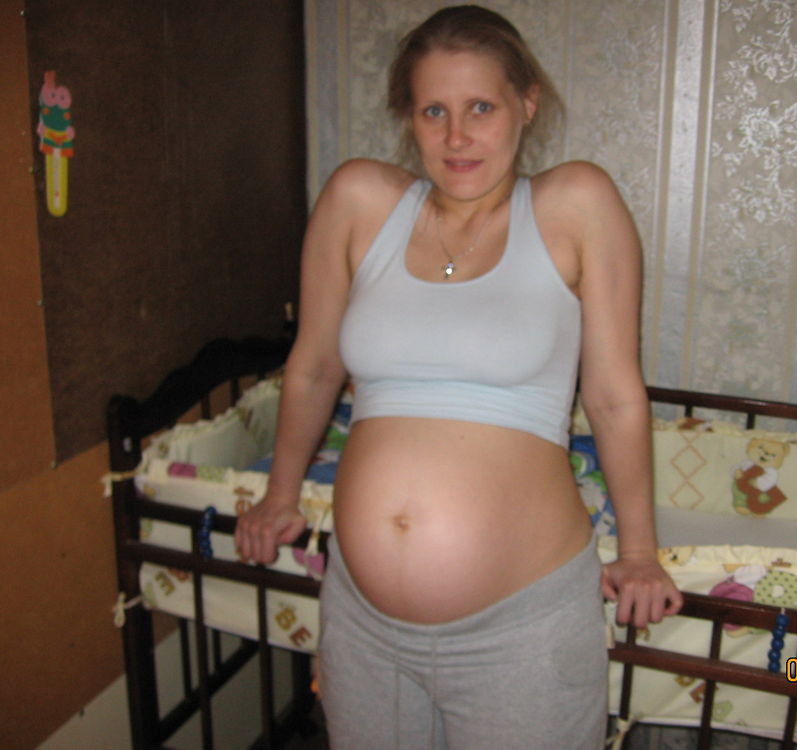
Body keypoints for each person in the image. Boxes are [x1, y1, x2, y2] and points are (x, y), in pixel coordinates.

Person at [235, 5, 682, 748]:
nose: (456, 136)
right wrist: (281, 494)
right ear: (408, 118)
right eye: (433, 111)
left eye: (481, 107)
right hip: (363, 625)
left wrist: (638, 553)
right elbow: (313, 366)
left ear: (526, 105)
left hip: (522, 631)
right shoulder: (357, 202)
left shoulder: (576, 204)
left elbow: (612, 396)